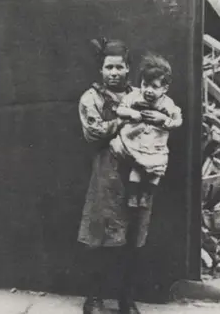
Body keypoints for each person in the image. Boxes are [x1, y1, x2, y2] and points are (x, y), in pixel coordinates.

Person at [77, 38, 150, 314]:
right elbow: (94, 133)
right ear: (101, 70)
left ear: (128, 68)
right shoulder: (91, 98)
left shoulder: (140, 96)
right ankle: (94, 299)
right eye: (109, 67)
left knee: (132, 237)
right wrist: (127, 119)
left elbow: (154, 126)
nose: (114, 73)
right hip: (106, 177)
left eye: (120, 67)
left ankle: (125, 299)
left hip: (137, 174)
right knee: (100, 237)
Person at [111, 53, 183, 209]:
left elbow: (178, 121)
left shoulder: (168, 103)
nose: (148, 90)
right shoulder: (133, 96)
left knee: (156, 173)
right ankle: (132, 196)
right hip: (136, 140)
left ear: (165, 88)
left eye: (155, 87)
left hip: (156, 144)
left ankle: (146, 196)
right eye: (145, 85)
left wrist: (164, 120)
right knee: (137, 169)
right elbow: (120, 109)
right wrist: (132, 113)